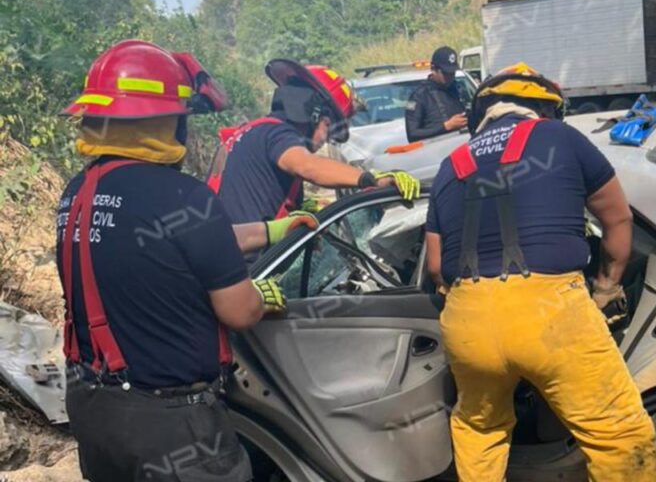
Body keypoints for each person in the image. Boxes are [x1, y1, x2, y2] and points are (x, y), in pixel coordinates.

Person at [57, 40, 308, 481]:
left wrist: (272, 230)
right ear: (166, 121)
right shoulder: (183, 195)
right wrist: (259, 297)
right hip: (171, 422)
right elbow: (239, 310)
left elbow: (169, 242)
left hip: (94, 408)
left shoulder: (77, 194)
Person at [426, 63, 656, 480]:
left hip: (468, 320)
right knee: (617, 434)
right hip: (551, 314)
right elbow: (619, 221)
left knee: (480, 429)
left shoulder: (450, 165)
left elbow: (437, 267)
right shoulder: (561, 138)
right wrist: (605, 288)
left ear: (483, 114)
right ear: (543, 109)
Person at [211, 59, 419, 228]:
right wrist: (370, 179)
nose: (326, 140)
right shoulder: (277, 134)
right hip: (247, 270)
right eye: (328, 126)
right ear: (313, 114)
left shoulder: (254, 131)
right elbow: (308, 166)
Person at [404, 45, 468, 142]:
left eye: (452, 73)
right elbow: (412, 133)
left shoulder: (456, 89)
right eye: (446, 73)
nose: (450, 77)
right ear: (434, 69)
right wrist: (446, 126)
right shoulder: (419, 96)